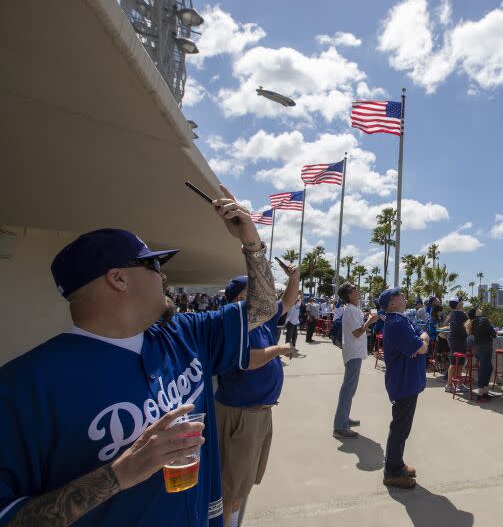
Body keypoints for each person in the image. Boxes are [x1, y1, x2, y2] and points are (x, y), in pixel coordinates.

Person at [0, 185, 294, 526]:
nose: (165, 276)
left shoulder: (186, 332)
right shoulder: (24, 386)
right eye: (154, 265)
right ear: (119, 279)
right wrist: (118, 474)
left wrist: (252, 244)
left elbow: (261, 310)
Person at [215, 273, 299, 527]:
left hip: (257, 413)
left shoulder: (259, 317)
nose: (266, 294)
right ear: (242, 296)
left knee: (241, 483)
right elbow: (247, 360)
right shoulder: (235, 320)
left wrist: (295, 277)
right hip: (241, 414)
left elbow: (288, 301)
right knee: (232, 486)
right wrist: (280, 349)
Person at [378, 288, 429, 489]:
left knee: (402, 427)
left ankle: (396, 464)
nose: (403, 295)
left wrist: (421, 342)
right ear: (392, 303)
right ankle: (392, 472)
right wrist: (421, 344)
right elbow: (419, 345)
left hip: (408, 380)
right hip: (403, 381)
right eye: (399, 294)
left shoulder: (402, 319)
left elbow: (422, 335)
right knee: (400, 427)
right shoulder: (397, 323)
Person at [333, 283, 378, 438]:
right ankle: (340, 425)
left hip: (354, 352)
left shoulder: (353, 310)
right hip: (353, 353)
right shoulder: (351, 311)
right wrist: (369, 321)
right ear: (349, 295)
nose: (358, 291)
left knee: (349, 389)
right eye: (354, 290)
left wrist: (367, 321)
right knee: (348, 389)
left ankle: (343, 418)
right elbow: (357, 332)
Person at [467, 307, 497, 401]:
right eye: (478, 309)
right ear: (476, 313)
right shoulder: (483, 320)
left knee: (488, 368)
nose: (480, 309)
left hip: (476, 349)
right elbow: (494, 334)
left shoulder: (471, 323)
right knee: (485, 369)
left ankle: (484, 390)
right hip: (485, 347)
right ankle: (481, 393)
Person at [444, 298, 468, 394]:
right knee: (454, 363)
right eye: (461, 301)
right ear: (458, 304)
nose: (462, 301)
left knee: (460, 363)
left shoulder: (454, 313)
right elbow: (469, 324)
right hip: (456, 341)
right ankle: (449, 385)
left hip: (459, 340)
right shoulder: (460, 314)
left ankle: (458, 384)